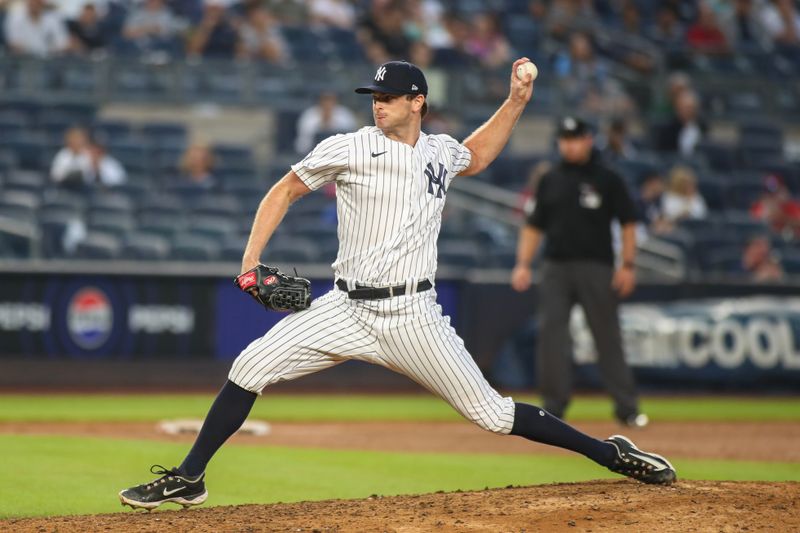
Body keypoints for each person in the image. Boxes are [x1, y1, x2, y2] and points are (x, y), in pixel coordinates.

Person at [118, 60, 675, 511]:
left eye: (388, 96)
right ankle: (190, 478)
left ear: (418, 103)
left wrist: (516, 102)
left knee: (493, 415)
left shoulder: (437, 152)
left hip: (413, 316)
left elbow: (476, 155)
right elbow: (283, 190)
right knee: (249, 366)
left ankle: (609, 452)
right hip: (345, 307)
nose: (378, 104)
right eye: (373, 97)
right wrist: (250, 261)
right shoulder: (350, 146)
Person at [510, 116, 648, 429]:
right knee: (551, 335)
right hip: (556, 267)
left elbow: (629, 223)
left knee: (607, 335)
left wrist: (627, 265)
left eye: (575, 139)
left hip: (597, 266)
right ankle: (553, 407)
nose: (569, 145)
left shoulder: (608, 178)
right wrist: (522, 264)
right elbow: (533, 226)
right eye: (564, 139)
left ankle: (627, 407)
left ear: (588, 140)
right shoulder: (550, 179)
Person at [293, 92, 358, 154]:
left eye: (330, 100)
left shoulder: (345, 114)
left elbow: (351, 134)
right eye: (325, 99)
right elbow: (304, 138)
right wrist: (322, 123)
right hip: (312, 153)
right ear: (320, 100)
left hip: (340, 153)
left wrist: (332, 122)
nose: (328, 103)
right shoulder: (309, 114)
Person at [3, 0, 72, 58]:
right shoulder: (15, 18)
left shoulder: (53, 19)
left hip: (50, 62)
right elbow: (14, 43)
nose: (34, 3)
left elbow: (63, 43)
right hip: (23, 61)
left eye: (37, 1)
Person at [749, 173, 800, 240]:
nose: (768, 208)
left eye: (765, 205)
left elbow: (772, 179)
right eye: (765, 212)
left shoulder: (774, 190)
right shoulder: (777, 225)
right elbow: (791, 233)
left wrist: (779, 191)